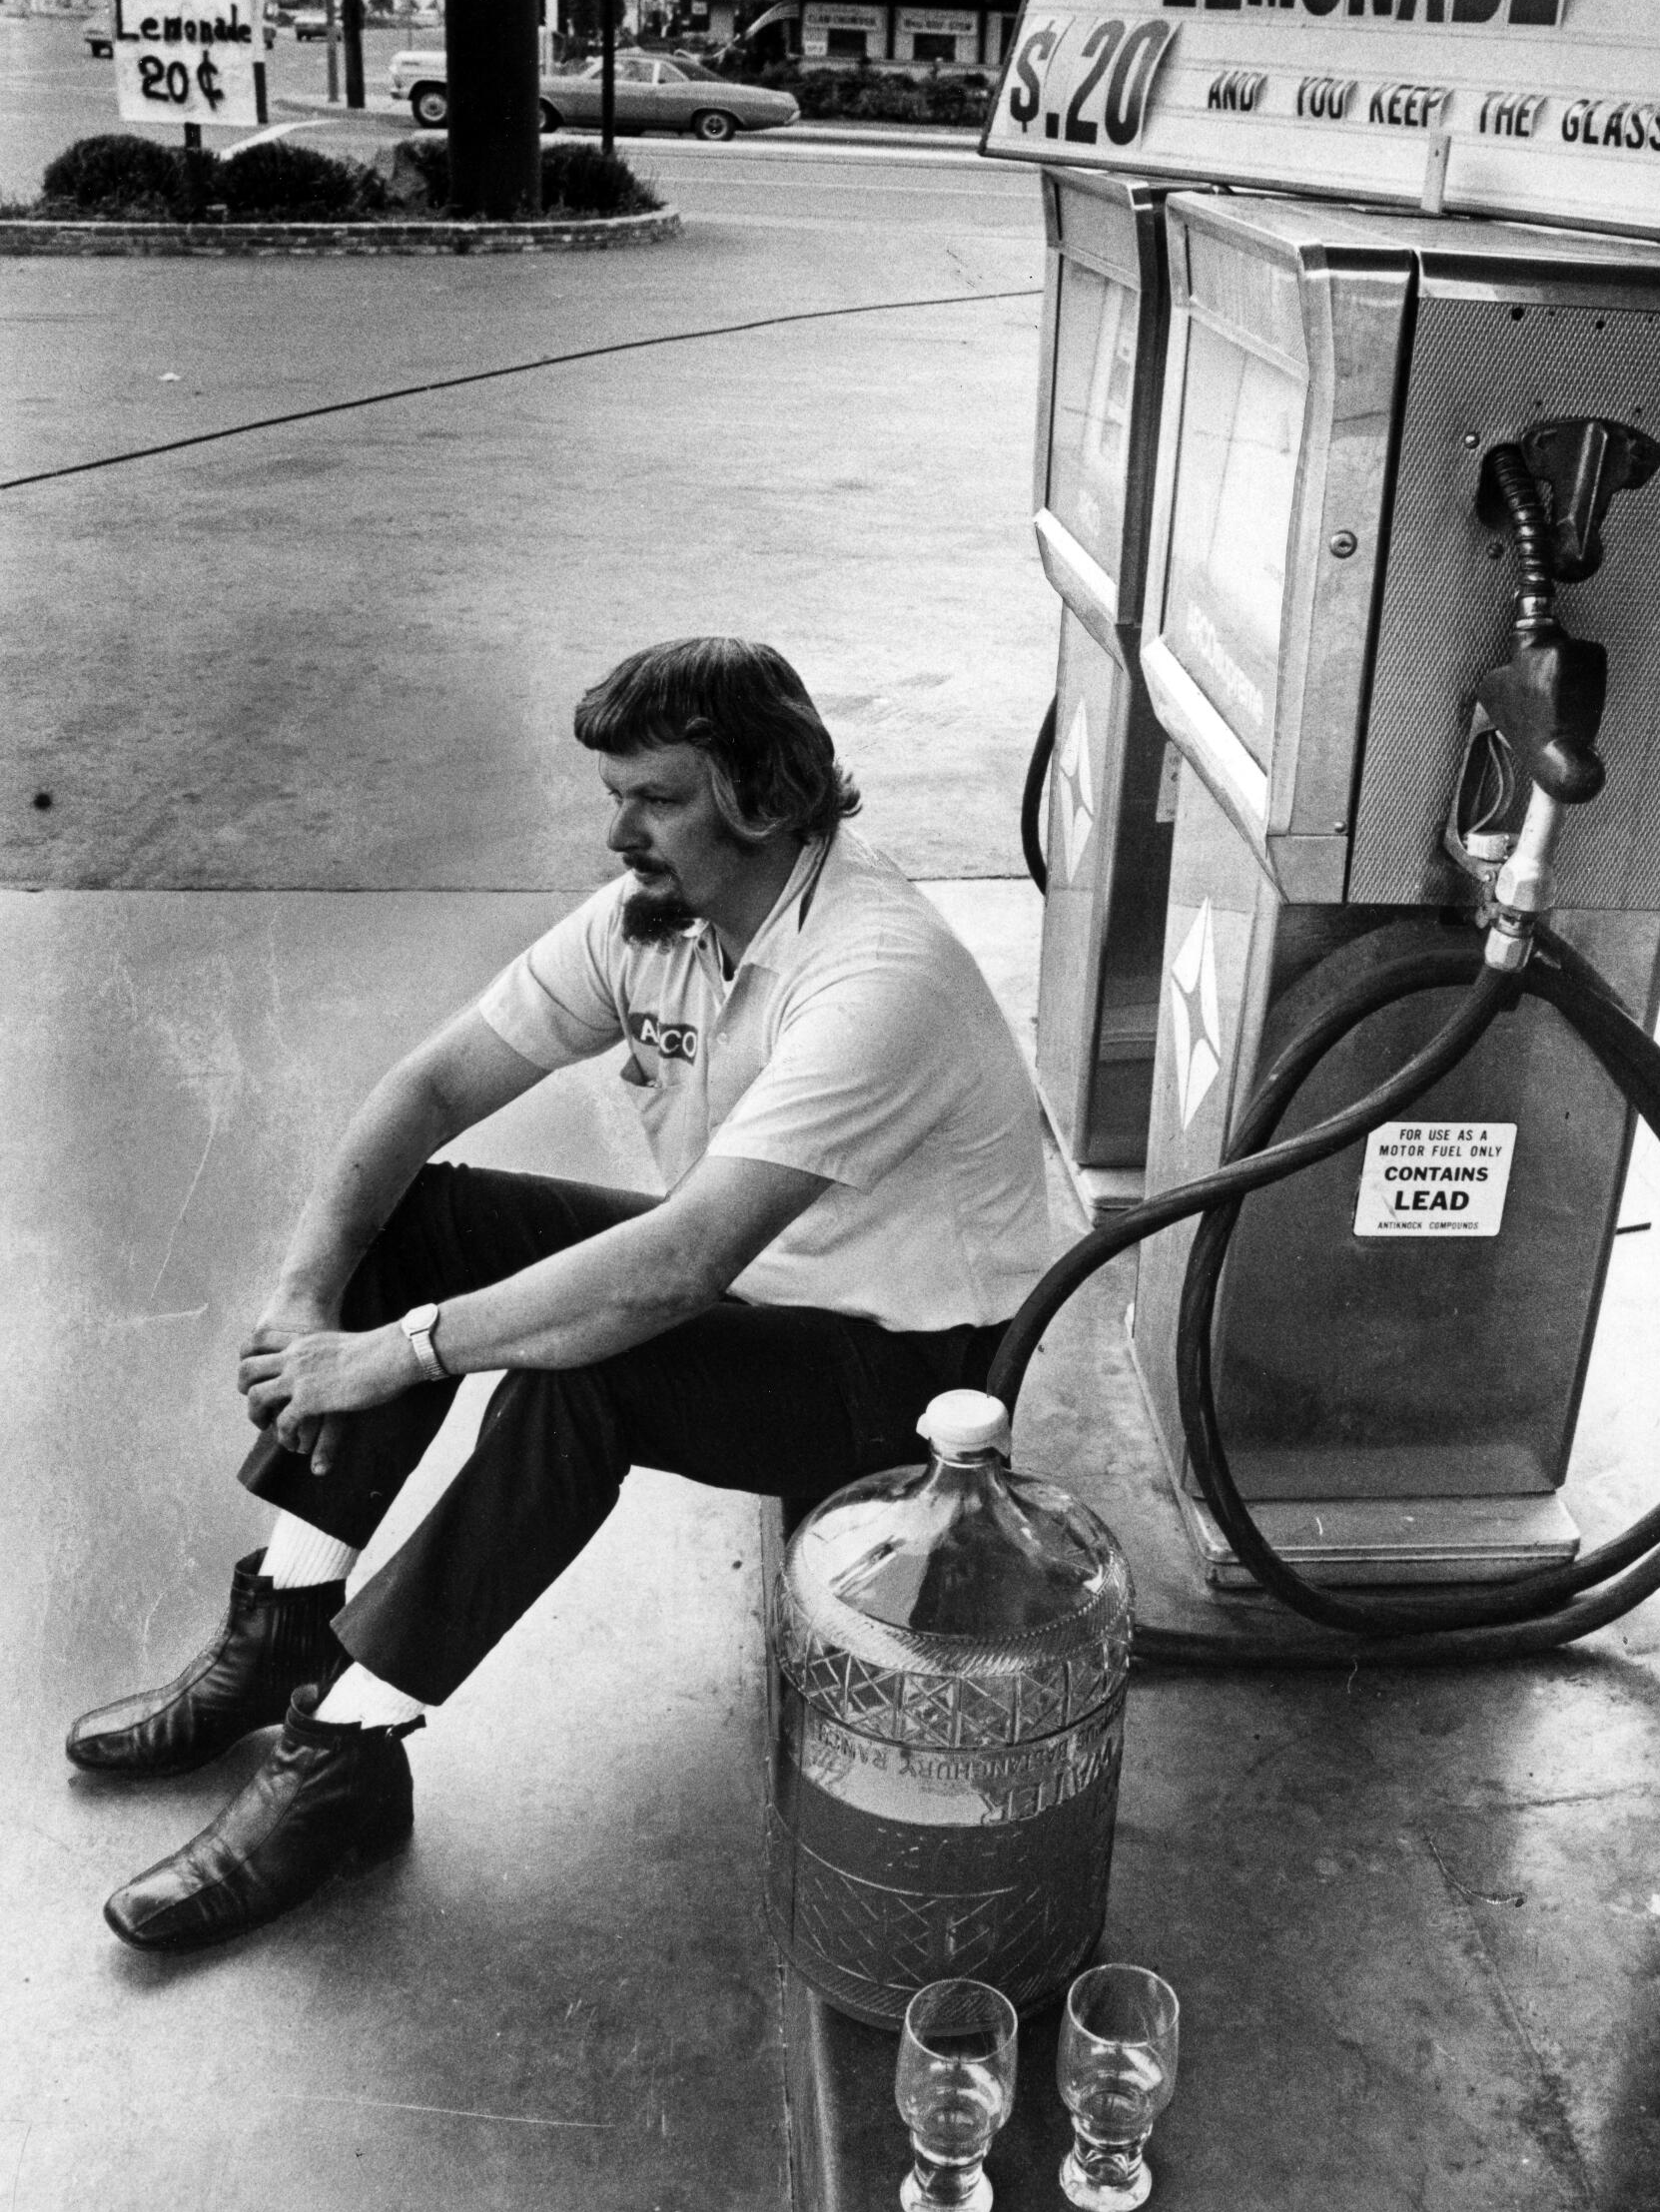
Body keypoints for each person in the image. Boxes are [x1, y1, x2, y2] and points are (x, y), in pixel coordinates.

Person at [70, 637, 1052, 1952]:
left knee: (582, 1373)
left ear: (766, 798)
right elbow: (428, 1090)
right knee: (420, 1218)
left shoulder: (878, 977)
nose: (618, 833)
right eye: (614, 795)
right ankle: (289, 1621)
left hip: (908, 1377)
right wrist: (309, 1301)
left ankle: (348, 1753)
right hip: (762, 1283)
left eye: (656, 798)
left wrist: (401, 1352)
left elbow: (678, 1265)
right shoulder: (667, 917)